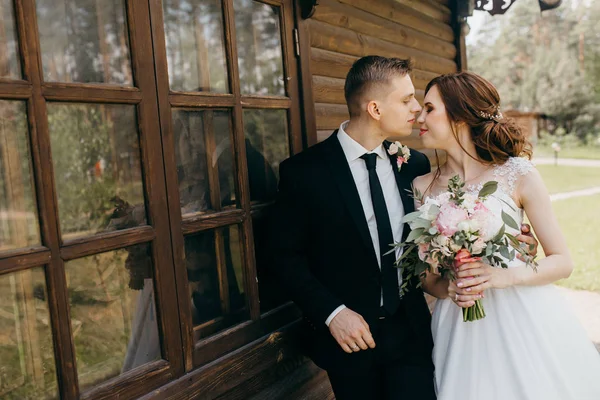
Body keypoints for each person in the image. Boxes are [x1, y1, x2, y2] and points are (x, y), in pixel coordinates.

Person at [267, 56, 536, 399]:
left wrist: (505, 245)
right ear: (376, 109)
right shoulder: (304, 172)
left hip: (411, 333)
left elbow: (434, 242)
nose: (416, 110)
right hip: (349, 341)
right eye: (407, 100)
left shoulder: (414, 166)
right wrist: (332, 314)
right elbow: (283, 257)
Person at [413, 71, 600, 400]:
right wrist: (449, 287)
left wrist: (502, 276)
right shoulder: (422, 186)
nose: (420, 116)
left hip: (523, 315)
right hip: (458, 325)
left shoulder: (518, 174)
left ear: (459, 115)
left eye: (429, 108)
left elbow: (562, 262)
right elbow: (428, 279)